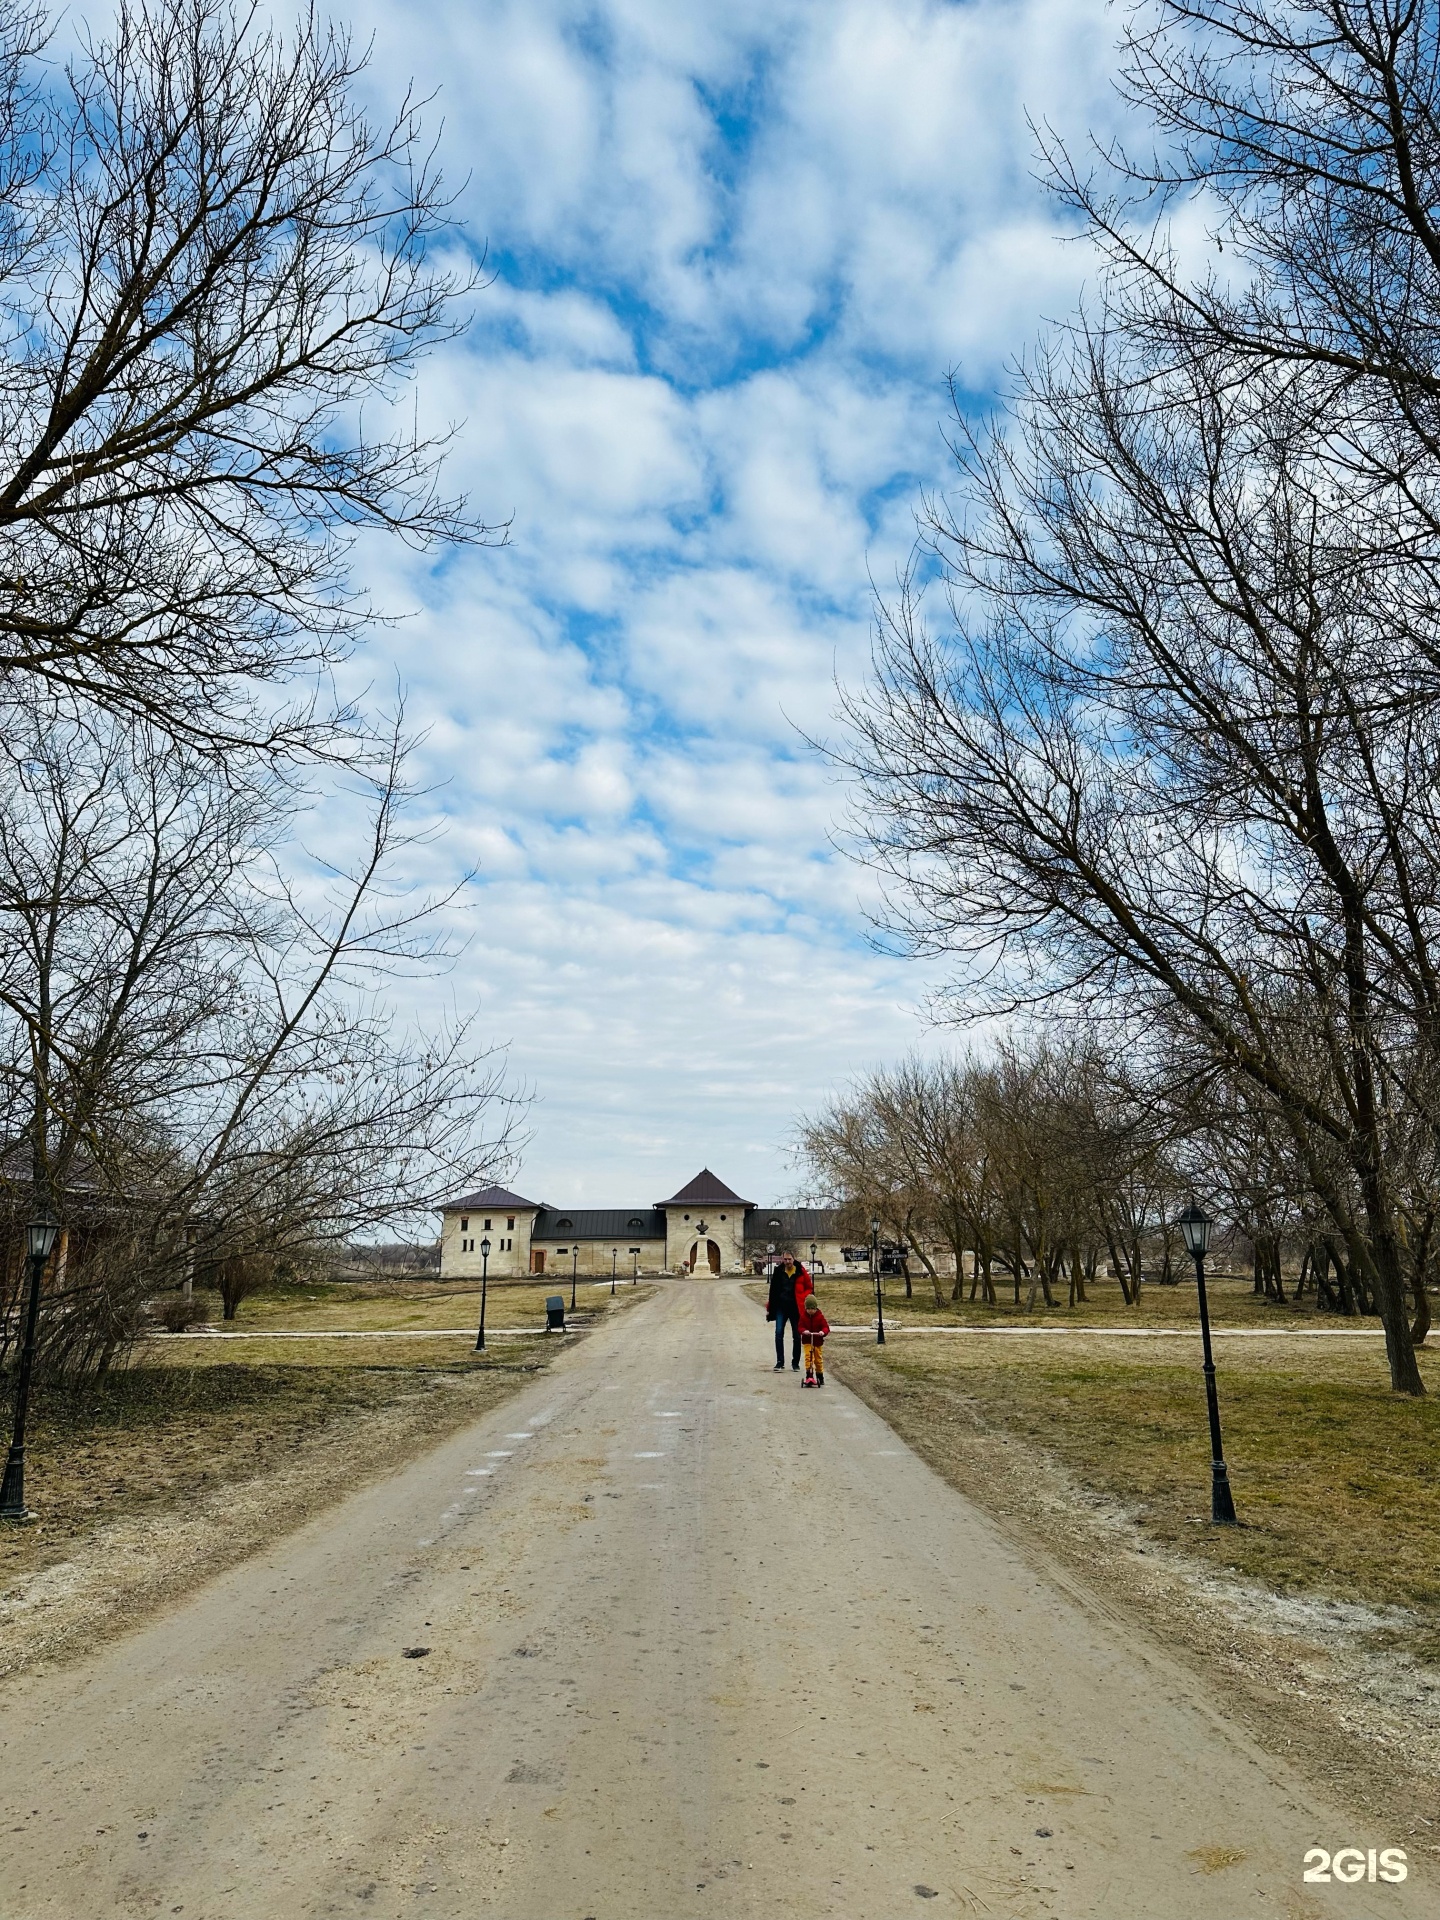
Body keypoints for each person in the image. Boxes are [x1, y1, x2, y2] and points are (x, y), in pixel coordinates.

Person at [766, 1252, 807, 1372]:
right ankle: (780, 1362)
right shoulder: (778, 1271)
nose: (787, 1261)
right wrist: (770, 1307)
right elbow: (772, 1290)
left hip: (795, 1308)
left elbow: (809, 1287)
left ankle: (795, 1363)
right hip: (781, 1307)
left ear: (793, 1259)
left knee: (796, 1335)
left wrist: (803, 1297)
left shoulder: (800, 1271)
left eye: (789, 1259)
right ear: (782, 1260)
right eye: (785, 1259)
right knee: (778, 1333)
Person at [798, 1287, 830, 1387]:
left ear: (816, 1308)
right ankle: (809, 1375)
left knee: (818, 1359)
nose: (811, 1311)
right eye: (808, 1309)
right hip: (808, 1340)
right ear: (806, 1308)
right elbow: (800, 1327)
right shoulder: (803, 1317)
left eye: (813, 1309)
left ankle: (820, 1375)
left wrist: (822, 1332)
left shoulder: (820, 1317)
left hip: (817, 1341)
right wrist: (804, 1331)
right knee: (808, 1358)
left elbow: (826, 1327)